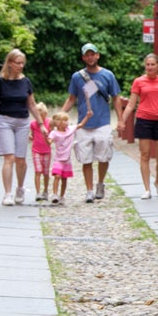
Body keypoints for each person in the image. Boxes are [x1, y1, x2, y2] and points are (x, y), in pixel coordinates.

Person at [0, 49, 48, 206]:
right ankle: (7, 193)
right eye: (18, 63)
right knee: (9, 158)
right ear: (9, 63)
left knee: (21, 159)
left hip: (22, 122)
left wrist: (41, 124)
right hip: (5, 121)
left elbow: (31, 103)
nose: (21, 66)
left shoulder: (26, 82)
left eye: (23, 63)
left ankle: (20, 188)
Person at [59, 43, 125, 203]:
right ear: (83, 57)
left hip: (102, 121)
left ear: (97, 55)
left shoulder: (108, 75)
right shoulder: (77, 77)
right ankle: (89, 190)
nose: (90, 57)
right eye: (87, 55)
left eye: (92, 54)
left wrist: (121, 119)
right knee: (86, 158)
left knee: (104, 157)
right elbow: (71, 99)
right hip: (84, 123)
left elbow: (116, 98)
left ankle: (100, 183)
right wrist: (60, 115)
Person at [119, 53, 158, 199]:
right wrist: (122, 120)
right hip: (144, 120)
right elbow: (131, 105)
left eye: (153, 64)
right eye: (148, 65)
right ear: (145, 66)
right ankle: (147, 189)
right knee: (145, 154)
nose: (150, 67)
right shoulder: (139, 82)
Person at [47, 108, 89, 205]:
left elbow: (81, 125)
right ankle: (54, 194)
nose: (67, 122)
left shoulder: (70, 130)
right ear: (58, 123)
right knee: (57, 176)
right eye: (64, 121)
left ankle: (62, 196)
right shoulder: (54, 133)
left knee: (64, 178)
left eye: (67, 120)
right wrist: (45, 135)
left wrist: (87, 116)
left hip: (67, 160)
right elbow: (49, 142)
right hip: (58, 159)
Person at [30, 102, 53, 202]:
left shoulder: (49, 123)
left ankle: (45, 190)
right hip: (36, 150)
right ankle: (38, 192)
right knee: (38, 171)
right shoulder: (33, 124)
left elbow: (52, 135)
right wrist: (31, 137)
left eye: (42, 115)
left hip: (46, 150)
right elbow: (32, 134)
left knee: (46, 172)